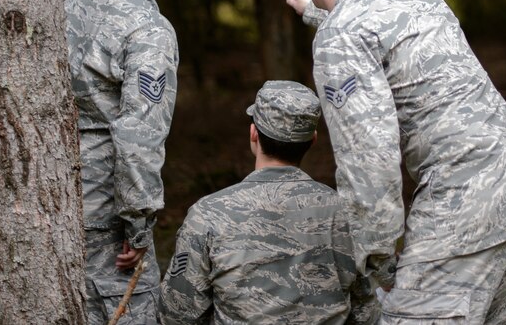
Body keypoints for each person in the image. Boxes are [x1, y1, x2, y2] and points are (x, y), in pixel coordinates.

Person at [284, 0, 506, 323]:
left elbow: (368, 157)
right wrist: (316, 15)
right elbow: (381, 33)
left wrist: (377, 254)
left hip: (464, 205)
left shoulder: (342, 37)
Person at [158, 80, 381, 324]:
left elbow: (176, 313)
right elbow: (365, 310)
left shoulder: (209, 214)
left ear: (253, 133)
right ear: (313, 140)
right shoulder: (346, 213)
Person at [65, 0, 180, 325]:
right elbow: (138, 134)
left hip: (52, 196)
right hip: (107, 214)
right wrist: (139, 224)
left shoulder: (68, 8)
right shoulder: (149, 30)